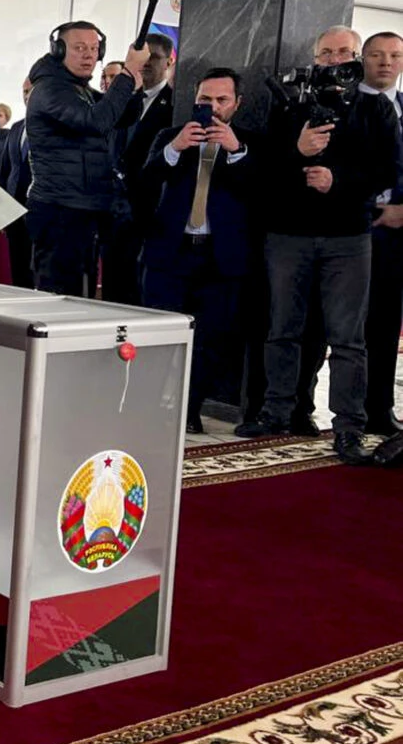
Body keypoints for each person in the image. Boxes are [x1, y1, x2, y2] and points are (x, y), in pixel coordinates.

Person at [235, 26, 400, 467]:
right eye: (326, 52)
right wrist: (297, 150)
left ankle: (348, 426)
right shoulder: (292, 108)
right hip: (288, 235)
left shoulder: (377, 109)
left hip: (349, 238)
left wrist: (338, 181)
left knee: (348, 339)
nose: (334, 59)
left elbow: (387, 169)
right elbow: (264, 169)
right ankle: (276, 412)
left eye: (343, 51)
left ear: (356, 58)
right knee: (282, 328)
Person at [138, 69, 258, 435]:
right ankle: (146, 408)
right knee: (157, 336)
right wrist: (174, 150)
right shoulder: (170, 137)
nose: (214, 107)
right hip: (170, 254)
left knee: (210, 341)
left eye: (222, 100)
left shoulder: (249, 143)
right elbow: (143, 181)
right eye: (206, 100)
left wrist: (235, 151)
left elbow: (261, 192)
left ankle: (190, 409)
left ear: (237, 104)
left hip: (220, 258)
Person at [24, 22, 150, 297]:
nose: (89, 55)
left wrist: (135, 85)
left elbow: (122, 117)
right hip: (60, 210)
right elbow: (97, 121)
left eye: (94, 48)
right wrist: (127, 74)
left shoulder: (76, 88)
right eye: (79, 47)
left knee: (82, 295)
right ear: (58, 50)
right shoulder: (51, 89)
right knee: (60, 297)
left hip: (80, 208)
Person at [102, 32, 175, 306]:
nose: (146, 63)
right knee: (110, 296)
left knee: (139, 297)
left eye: (154, 57)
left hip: (148, 216)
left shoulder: (175, 104)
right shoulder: (118, 101)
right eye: (141, 57)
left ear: (169, 61)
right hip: (111, 215)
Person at [360, 32, 403, 434]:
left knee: (385, 326)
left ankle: (378, 408)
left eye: (394, 56)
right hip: (347, 231)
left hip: (394, 239)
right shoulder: (344, 105)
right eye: (376, 55)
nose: (385, 63)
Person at [0, 78, 35, 288]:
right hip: (13, 212)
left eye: (32, 90)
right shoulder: (17, 128)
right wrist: (0, 211)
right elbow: (4, 171)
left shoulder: (53, 126)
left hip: (38, 211)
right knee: (18, 271)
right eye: (25, 91)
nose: (28, 95)